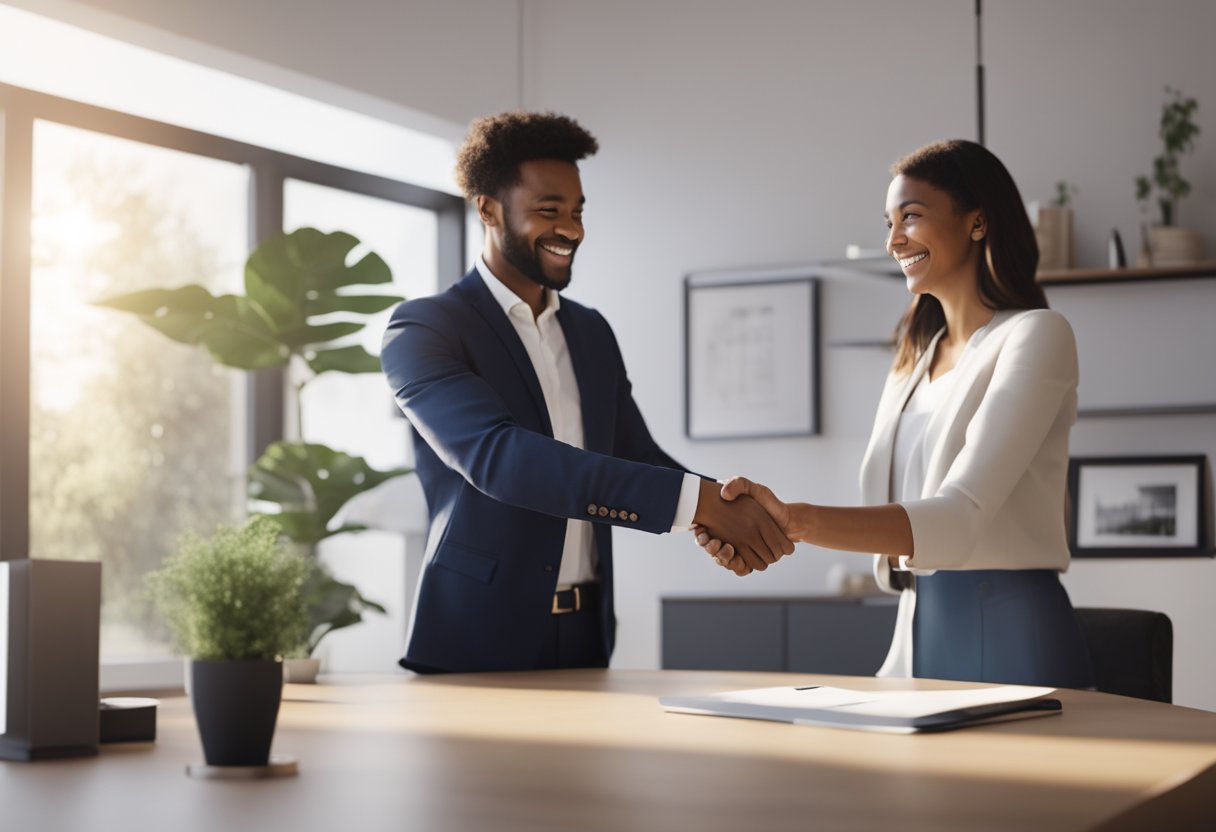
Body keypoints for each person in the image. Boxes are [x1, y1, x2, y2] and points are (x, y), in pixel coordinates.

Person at [381, 112, 792, 674]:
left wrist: (718, 505)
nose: (570, 229)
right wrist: (696, 505)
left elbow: (634, 454)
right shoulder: (424, 330)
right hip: (474, 637)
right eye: (548, 210)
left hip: (587, 633)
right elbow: (502, 460)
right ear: (488, 208)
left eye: (577, 212)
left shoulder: (591, 332)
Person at [697, 139, 1095, 689]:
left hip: (1005, 625)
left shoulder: (1037, 335)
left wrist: (795, 519)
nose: (893, 240)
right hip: (918, 625)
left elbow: (959, 514)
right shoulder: (914, 359)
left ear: (977, 222)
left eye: (911, 216)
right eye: (888, 222)